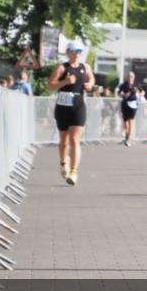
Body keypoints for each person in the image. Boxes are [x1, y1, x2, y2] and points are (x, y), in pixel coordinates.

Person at [47, 41, 94, 185]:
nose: (77, 54)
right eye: (74, 51)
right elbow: (50, 86)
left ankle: (74, 172)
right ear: (68, 52)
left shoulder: (85, 67)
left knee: (75, 139)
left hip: (78, 106)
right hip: (63, 107)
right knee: (64, 141)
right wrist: (65, 82)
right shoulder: (61, 68)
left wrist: (90, 85)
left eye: (79, 51)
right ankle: (63, 163)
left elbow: (91, 78)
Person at [118, 71, 141, 146]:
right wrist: (124, 94)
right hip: (125, 103)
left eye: (131, 76)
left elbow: (142, 92)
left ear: (134, 78)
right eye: (129, 76)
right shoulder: (124, 85)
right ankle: (127, 135)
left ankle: (129, 139)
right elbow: (119, 92)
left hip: (133, 104)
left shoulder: (136, 84)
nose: (130, 78)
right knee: (125, 122)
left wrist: (139, 94)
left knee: (131, 120)